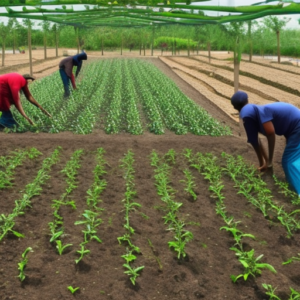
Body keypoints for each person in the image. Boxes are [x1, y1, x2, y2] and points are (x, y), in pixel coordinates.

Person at [231, 90, 300, 195]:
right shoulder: (250, 116)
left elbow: (271, 135)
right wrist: (263, 163)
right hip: (291, 128)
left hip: (296, 125)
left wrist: (270, 161)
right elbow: (255, 142)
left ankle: (297, 192)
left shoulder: (261, 112)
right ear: (247, 101)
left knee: (288, 161)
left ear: (235, 107)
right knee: (294, 156)